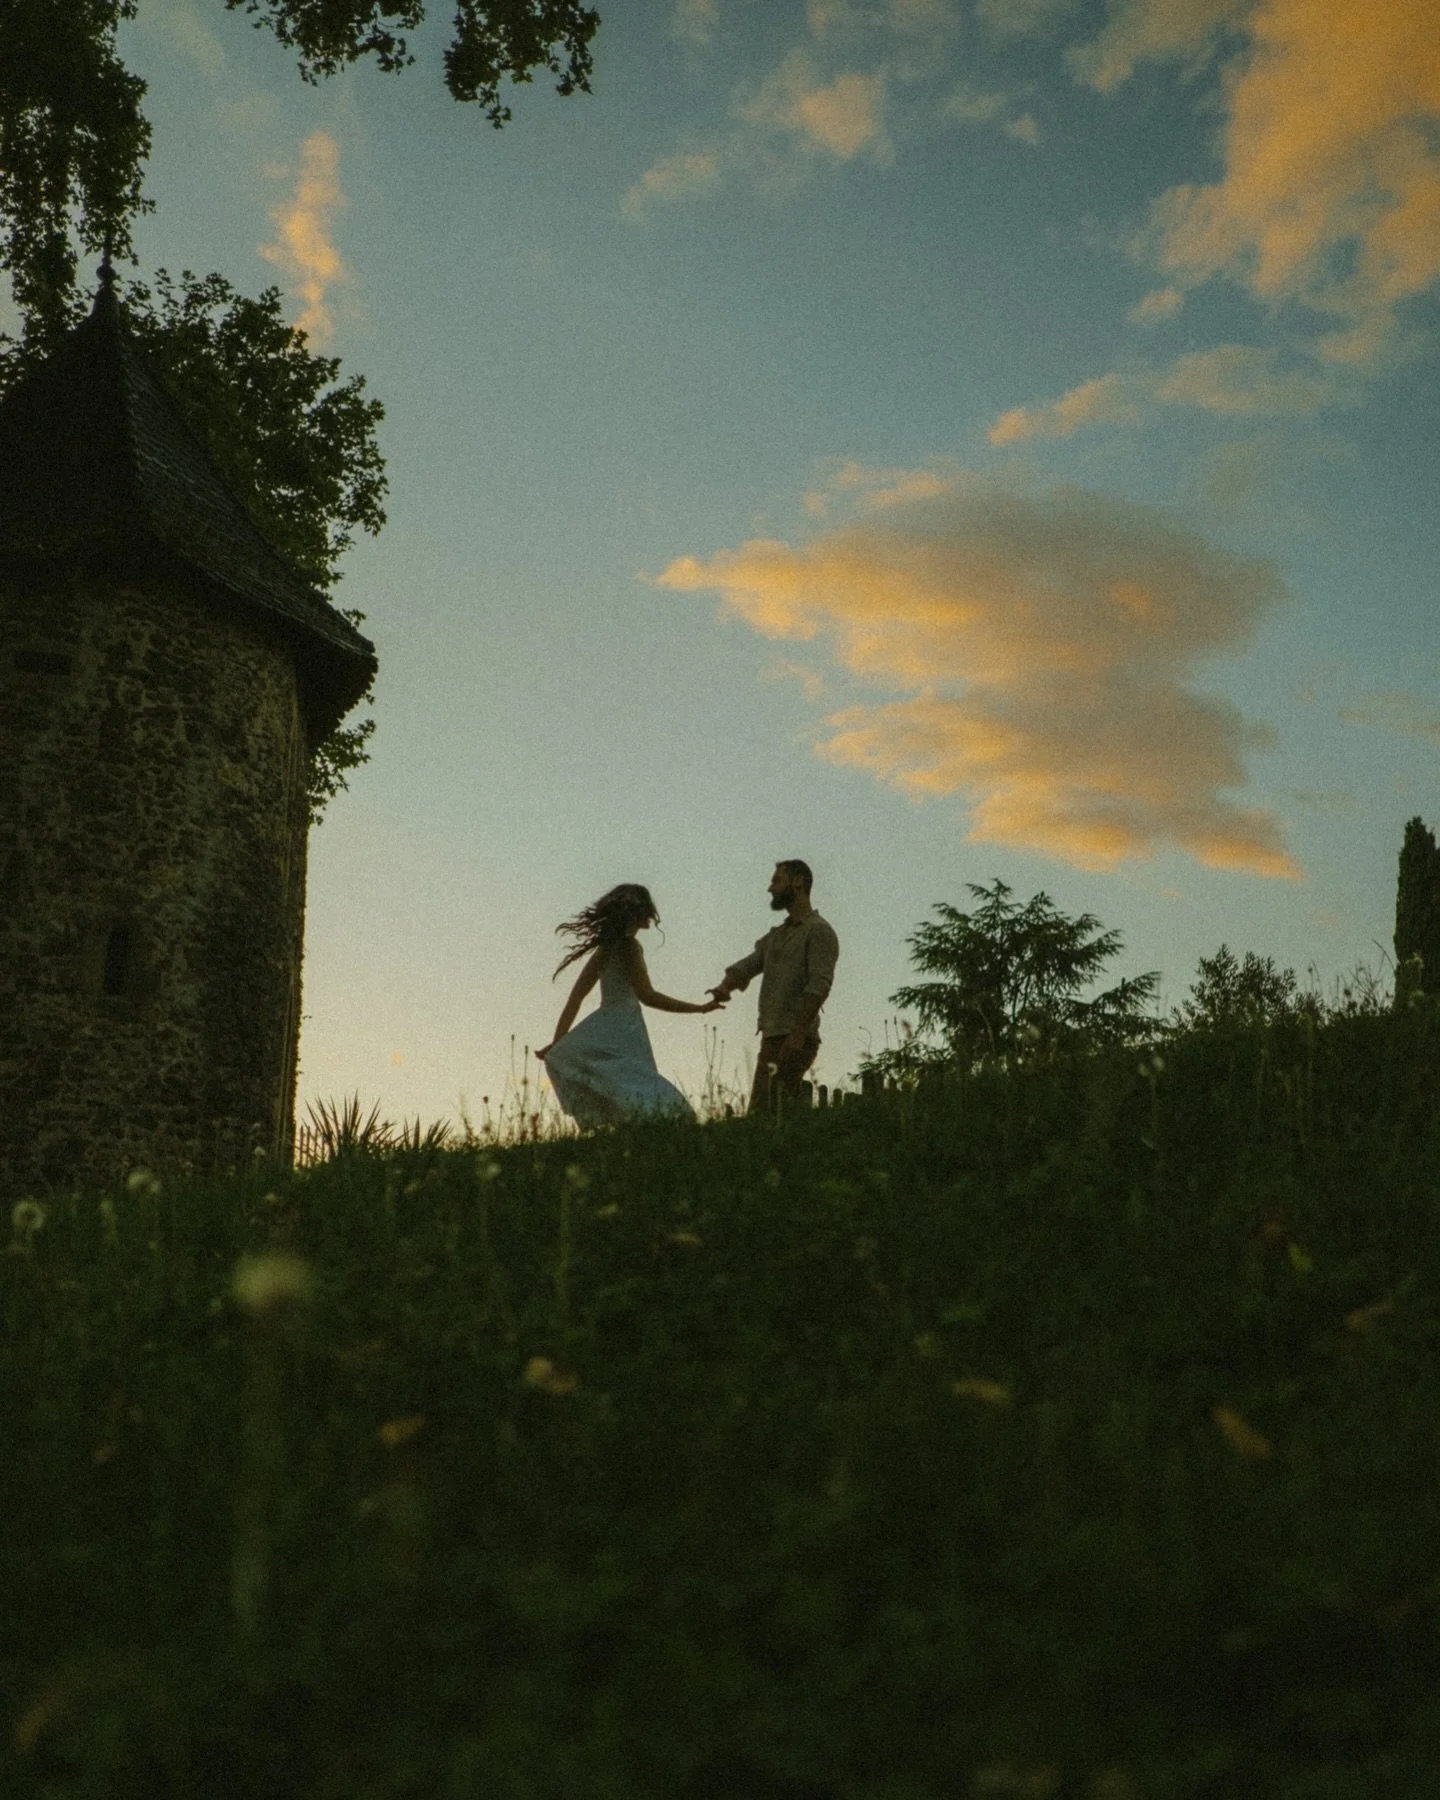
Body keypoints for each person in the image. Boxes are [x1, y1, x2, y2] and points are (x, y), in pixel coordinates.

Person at [536, 883, 723, 1129]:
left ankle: (636, 1130)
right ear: (640, 913)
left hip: (606, 1023)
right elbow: (648, 995)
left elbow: (576, 998)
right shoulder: (629, 947)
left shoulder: (605, 949)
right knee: (636, 1081)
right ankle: (666, 1124)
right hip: (625, 1025)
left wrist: (558, 1041)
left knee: (622, 1081)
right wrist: (698, 1008)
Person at [708, 860, 839, 1113]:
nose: (770, 888)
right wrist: (725, 986)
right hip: (773, 1037)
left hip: (794, 1038)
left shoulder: (818, 931)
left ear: (798, 882)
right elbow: (749, 964)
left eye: (777, 880)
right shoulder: (777, 936)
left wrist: (798, 1033)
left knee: (768, 1111)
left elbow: (819, 985)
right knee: (767, 1111)